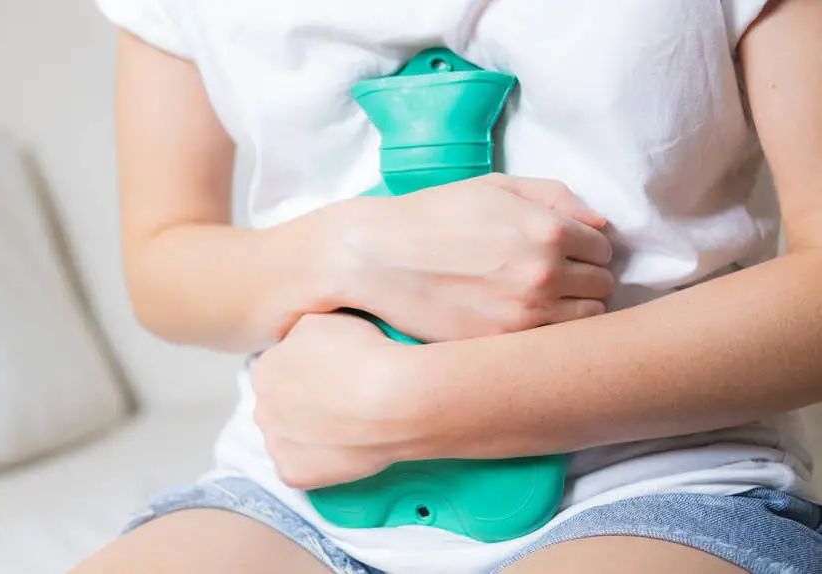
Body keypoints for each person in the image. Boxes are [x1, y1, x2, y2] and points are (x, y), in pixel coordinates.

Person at [73, 1, 822, 572]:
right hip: (280, 500)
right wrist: (347, 251)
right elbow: (163, 261)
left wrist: (407, 403)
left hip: (655, 486)